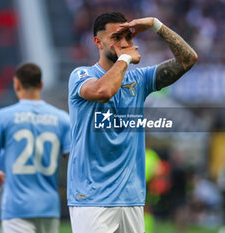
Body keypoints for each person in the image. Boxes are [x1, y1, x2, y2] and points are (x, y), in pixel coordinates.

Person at [68, 12, 198, 233]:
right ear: (98, 42)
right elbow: (104, 91)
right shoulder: (82, 75)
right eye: (116, 38)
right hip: (92, 198)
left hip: (131, 199)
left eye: (128, 37)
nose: (124, 43)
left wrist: (157, 25)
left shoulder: (139, 80)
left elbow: (188, 59)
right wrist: (125, 59)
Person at [0, 63, 71, 233]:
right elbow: (73, 162)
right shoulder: (62, 118)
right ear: (41, 85)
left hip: (17, 208)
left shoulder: (3, 117)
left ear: (16, 84)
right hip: (49, 207)